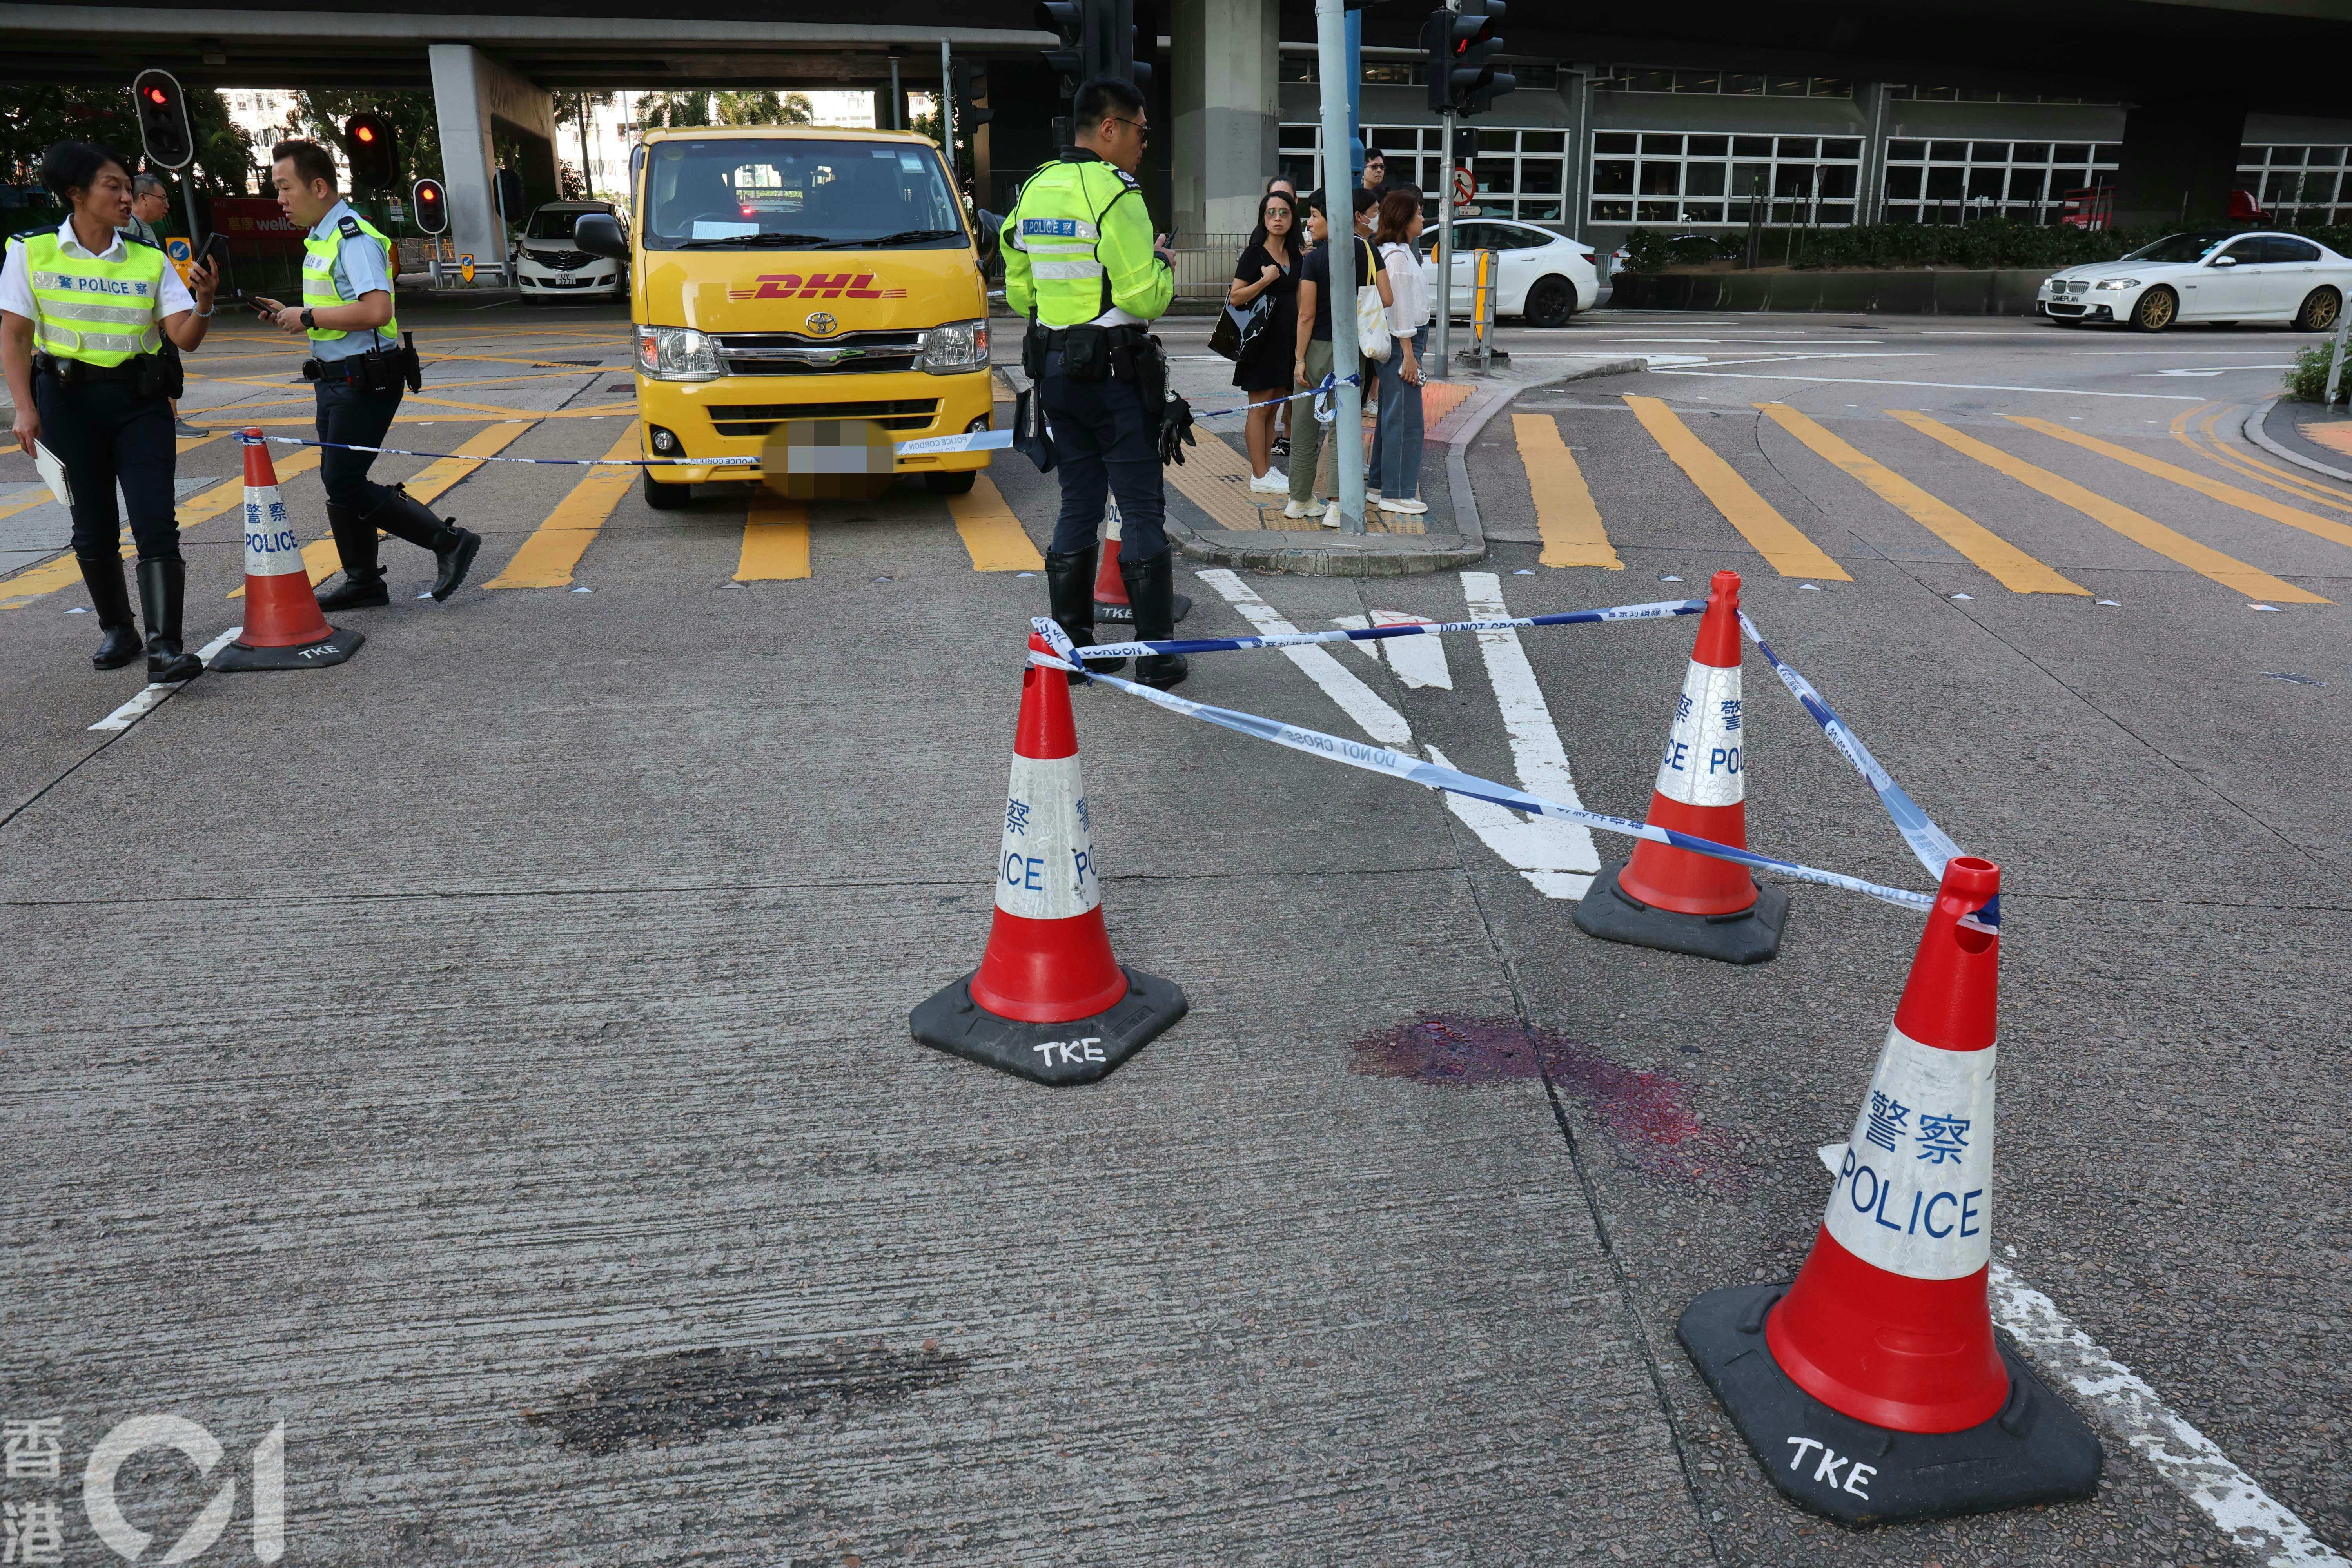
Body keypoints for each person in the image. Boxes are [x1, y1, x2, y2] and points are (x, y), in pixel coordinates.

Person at [1, 141, 219, 678]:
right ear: (76, 194)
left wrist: (206, 302)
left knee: (155, 522)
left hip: (140, 404)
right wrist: (24, 408)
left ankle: (166, 646)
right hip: (66, 403)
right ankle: (118, 629)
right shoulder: (31, 251)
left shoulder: (149, 259)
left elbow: (184, 339)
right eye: (113, 187)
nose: (127, 197)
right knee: (92, 526)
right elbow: (14, 336)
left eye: (129, 187)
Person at [1000, 77, 1187, 690]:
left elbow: (1022, 287)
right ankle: (1157, 656)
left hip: (1055, 370)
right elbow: (1143, 296)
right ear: (1109, 128)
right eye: (1140, 131)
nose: (1143, 145)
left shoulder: (1034, 189)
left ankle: (1071, 648)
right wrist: (1162, 265)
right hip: (1114, 373)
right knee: (1139, 506)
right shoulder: (1115, 195)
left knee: (1078, 502)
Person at [252, 139, 479, 609]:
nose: (280, 200)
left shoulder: (351, 236)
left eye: (285, 187)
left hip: (365, 380)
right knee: (337, 479)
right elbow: (335, 308)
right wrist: (294, 315)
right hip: (335, 380)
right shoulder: (321, 238)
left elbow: (377, 310)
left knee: (345, 481)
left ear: (319, 186)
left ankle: (448, 543)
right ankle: (363, 582)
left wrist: (310, 317)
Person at [1286, 188, 1391, 528]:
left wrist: (1299, 359)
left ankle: (1299, 500)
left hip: (1315, 348)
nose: (1310, 222)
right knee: (1341, 427)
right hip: (1350, 350)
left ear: (1335, 219)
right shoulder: (1369, 251)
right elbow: (1386, 298)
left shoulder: (1315, 259)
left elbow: (1306, 314)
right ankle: (1336, 505)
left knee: (1304, 425)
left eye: (1316, 216)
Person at [120, 174, 202, 438]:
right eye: (163, 199)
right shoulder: (131, 227)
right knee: (164, 364)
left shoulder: (141, 226)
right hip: (149, 319)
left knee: (167, 362)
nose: (167, 205)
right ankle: (169, 418)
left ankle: (171, 416)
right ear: (143, 198)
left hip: (156, 315)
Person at [1367, 187, 1432, 515]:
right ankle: (1398, 492)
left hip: (1403, 341)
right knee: (1407, 420)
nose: (1423, 218)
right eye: (1419, 213)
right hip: (1404, 342)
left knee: (1392, 417)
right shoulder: (1399, 260)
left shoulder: (1394, 252)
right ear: (1404, 219)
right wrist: (1409, 355)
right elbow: (1400, 312)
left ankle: (1380, 485)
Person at [1228, 190, 1298, 494]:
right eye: (1271, 213)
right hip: (1260, 340)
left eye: (1284, 212)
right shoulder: (1254, 254)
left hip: (1286, 340)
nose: (1277, 218)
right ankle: (1259, 475)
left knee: (1274, 406)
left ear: (1293, 218)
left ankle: (1268, 470)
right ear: (1263, 218)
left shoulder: (1295, 254)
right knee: (1259, 408)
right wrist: (1266, 280)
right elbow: (1236, 296)